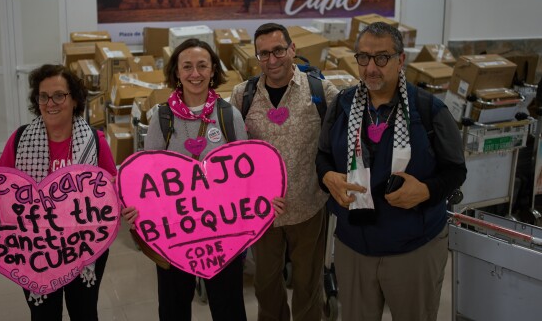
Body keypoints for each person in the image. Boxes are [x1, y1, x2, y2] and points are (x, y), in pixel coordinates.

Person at [121, 38, 285, 321]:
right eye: (187, 66)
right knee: (173, 309)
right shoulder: (161, 118)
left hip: (223, 233)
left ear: (212, 71)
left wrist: (266, 201)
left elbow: (245, 174)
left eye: (202, 66)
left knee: (229, 308)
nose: (194, 73)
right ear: (176, 72)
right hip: (174, 233)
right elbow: (147, 178)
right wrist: (136, 210)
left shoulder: (228, 115)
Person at [316, 22, 467, 321]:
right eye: (364, 57)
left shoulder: (429, 111)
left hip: (413, 248)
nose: (371, 67)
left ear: (400, 60)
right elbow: (323, 156)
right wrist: (327, 176)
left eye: (382, 58)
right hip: (354, 245)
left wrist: (426, 191)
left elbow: (456, 170)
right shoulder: (342, 106)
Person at [0, 64, 118, 321]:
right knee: (44, 314)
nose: (50, 103)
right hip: (34, 249)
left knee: (84, 311)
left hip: (83, 247)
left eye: (59, 95)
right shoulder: (20, 140)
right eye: (43, 96)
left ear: (74, 100)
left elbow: (113, 190)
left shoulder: (95, 142)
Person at [229, 23, 339, 320]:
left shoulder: (321, 91)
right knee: (265, 284)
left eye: (278, 50)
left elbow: (341, 142)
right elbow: (231, 154)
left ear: (293, 49)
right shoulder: (242, 96)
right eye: (263, 54)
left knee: (308, 284)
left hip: (309, 206)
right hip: (262, 212)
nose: (272, 59)